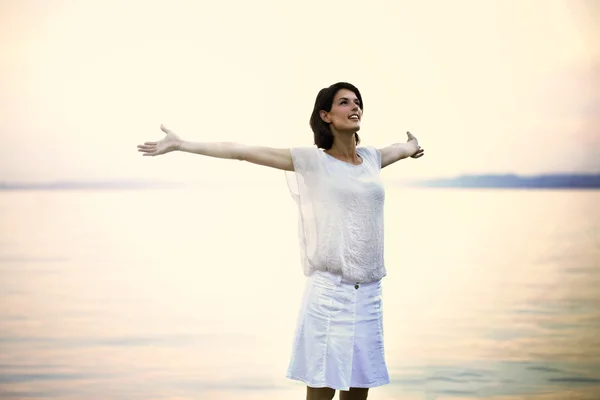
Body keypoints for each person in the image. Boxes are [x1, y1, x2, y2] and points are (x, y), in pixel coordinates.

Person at [137, 82, 424, 400]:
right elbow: (242, 152)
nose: (354, 107)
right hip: (331, 294)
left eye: (357, 102)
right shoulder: (314, 161)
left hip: (369, 294)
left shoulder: (371, 158)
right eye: (344, 102)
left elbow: (401, 148)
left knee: (358, 393)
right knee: (321, 392)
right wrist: (182, 144)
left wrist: (413, 145)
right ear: (325, 115)